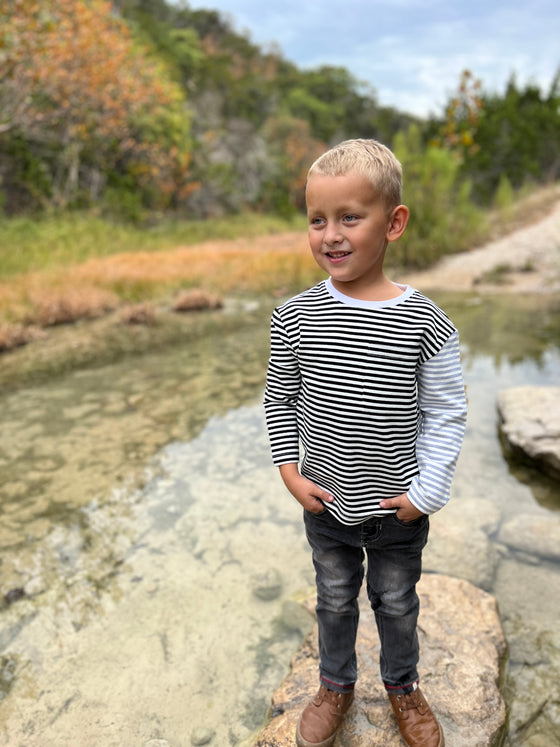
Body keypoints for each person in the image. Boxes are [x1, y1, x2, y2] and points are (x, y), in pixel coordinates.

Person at [263, 139, 467, 747]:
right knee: (334, 600)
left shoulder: (427, 323)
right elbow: (280, 402)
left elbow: (446, 416)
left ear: (394, 223)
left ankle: (403, 686)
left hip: (396, 509)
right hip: (325, 505)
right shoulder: (292, 315)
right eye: (317, 220)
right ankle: (335, 684)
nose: (331, 234)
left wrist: (424, 494)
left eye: (350, 217)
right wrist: (290, 472)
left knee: (398, 602)